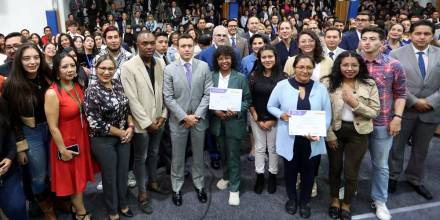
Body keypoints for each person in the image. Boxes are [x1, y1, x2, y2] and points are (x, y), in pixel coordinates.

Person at [267, 54, 332, 219]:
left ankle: (305, 201)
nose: (305, 71)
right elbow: (271, 105)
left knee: (309, 173)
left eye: (309, 68)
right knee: (290, 171)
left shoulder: (320, 88)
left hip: (312, 140)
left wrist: (319, 131)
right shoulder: (282, 85)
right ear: (294, 68)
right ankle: (292, 199)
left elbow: (327, 116)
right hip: (290, 139)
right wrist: (282, 115)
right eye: (301, 67)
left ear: (313, 69)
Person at [2, 43, 56, 219]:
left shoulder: (47, 76)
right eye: (26, 58)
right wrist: (20, 145)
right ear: (19, 61)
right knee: (39, 175)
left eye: (35, 57)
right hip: (31, 133)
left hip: (53, 128)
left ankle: (55, 199)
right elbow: (12, 120)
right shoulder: (12, 84)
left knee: (54, 170)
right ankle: (45, 205)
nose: (32, 62)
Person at [389, 20, 440, 201]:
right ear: (410, 35)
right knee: (396, 148)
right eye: (418, 33)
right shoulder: (396, 54)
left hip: (431, 110)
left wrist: (430, 101)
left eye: (427, 34)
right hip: (404, 109)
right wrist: (414, 101)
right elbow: (393, 82)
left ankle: (414, 179)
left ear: (432, 35)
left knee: (422, 149)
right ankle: (392, 177)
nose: (422, 37)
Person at [325, 51, 380, 220]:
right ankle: (335, 200)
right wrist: (329, 135)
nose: (349, 68)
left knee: (351, 172)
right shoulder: (329, 82)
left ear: (360, 66)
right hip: (335, 130)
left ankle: (346, 204)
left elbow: (374, 112)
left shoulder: (369, 83)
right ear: (339, 66)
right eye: (345, 65)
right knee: (334, 168)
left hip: (359, 133)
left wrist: (355, 104)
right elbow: (323, 110)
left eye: (354, 65)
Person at [360, 26, 407, 220]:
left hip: (382, 122)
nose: (368, 42)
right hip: (356, 122)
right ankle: (346, 196)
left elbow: (401, 93)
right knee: (350, 163)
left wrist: (398, 117)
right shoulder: (353, 63)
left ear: (383, 42)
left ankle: (379, 200)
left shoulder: (393, 65)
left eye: (372, 38)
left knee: (380, 165)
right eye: (364, 38)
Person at [121, 31, 169, 214]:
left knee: (155, 154)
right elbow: (131, 99)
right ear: (136, 45)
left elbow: (166, 92)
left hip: (159, 120)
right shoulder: (128, 67)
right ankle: (142, 193)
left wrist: (163, 115)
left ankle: (153, 182)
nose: (149, 46)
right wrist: (147, 122)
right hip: (142, 124)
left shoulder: (161, 63)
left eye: (152, 43)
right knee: (140, 158)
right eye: (144, 43)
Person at [44, 52, 96, 220]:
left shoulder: (77, 85)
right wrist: (62, 149)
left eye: (72, 65)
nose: (70, 69)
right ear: (57, 70)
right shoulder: (52, 93)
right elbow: (52, 127)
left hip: (81, 135)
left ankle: (76, 208)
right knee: (74, 179)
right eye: (65, 66)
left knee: (79, 176)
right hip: (66, 140)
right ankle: (81, 213)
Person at [163, 34, 213, 206]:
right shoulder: (169, 69)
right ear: (177, 48)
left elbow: (208, 93)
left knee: (199, 156)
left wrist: (196, 116)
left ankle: (199, 185)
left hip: (198, 120)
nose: (186, 49)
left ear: (194, 47)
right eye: (183, 46)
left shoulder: (204, 67)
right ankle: (176, 188)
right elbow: (168, 97)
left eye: (189, 46)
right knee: (177, 157)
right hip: (179, 120)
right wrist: (184, 117)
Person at [85, 54, 134, 220]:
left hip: (124, 135)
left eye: (110, 68)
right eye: (103, 68)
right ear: (96, 69)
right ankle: (112, 209)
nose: (107, 72)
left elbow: (127, 110)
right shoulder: (92, 91)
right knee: (110, 176)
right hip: (102, 140)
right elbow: (96, 123)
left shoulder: (118, 84)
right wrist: (122, 132)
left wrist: (131, 127)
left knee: (123, 174)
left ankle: (123, 203)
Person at [210, 45, 251, 206]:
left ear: (232, 59)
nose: (224, 61)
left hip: (234, 122)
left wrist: (235, 111)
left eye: (227, 58)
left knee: (233, 155)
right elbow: (207, 98)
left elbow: (247, 100)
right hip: (218, 122)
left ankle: (235, 188)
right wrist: (215, 111)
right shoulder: (211, 76)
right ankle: (226, 177)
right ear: (217, 60)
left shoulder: (240, 77)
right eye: (221, 58)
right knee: (223, 153)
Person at [248, 45, 286, 195]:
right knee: (259, 148)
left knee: (273, 148)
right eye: (264, 57)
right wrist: (256, 117)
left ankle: (272, 175)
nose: (267, 60)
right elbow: (248, 98)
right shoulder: (253, 76)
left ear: (275, 58)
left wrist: (273, 119)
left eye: (270, 57)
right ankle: (259, 176)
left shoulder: (283, 77)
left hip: (275, 120)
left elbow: (285, 102)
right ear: (259, 59)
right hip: (256, 117)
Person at [0, 97, 27, 220]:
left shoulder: (2, 103)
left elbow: (10, 131)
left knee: (17, 207)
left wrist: (10, 156)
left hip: (6, 169)